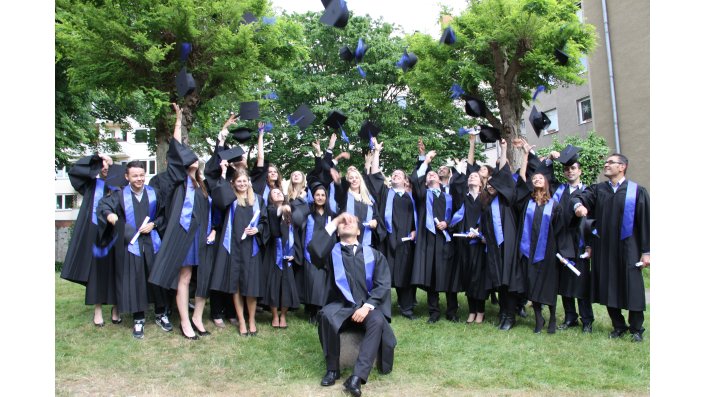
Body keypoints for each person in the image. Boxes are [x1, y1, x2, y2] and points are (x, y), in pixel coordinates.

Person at [148, 104, 217, 340]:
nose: (193, 161)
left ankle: (197, 318)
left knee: (203, 277)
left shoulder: (202, 186)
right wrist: (178, 121)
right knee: (185, 277)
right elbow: (176, 150)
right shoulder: (178, 182)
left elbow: (209, 212)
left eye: (196, 158)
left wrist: (213, 230)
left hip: (202, 236)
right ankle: (185, 323)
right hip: (184, 236)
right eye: (189, 160)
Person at [307, 213, 396, 397]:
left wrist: (368, 306)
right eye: (343, 224)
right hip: (340, 306)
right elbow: (314, 250)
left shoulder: (374, 255)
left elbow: (383, 285)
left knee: (377, 321)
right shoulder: (331, 254)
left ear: (358, 231)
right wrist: (335, 221)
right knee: (326, 315)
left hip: (365, 306)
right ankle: (332, 369)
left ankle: (357, 377)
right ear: (338, 233)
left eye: (351, 222)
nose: (346, 224)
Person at [573, 153, 650, 342]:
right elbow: (579, 197)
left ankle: (637, 328)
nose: (606, 165)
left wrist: (647, 252)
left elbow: (645, 223)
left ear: (622, 167)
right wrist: (578, 206)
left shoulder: (637, 191)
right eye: (606, 162)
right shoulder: (598, 190)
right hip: (604, 247)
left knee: (633, 287)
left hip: (629, 248)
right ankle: (618, 325)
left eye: (610, 162)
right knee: (608, 286)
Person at [97, 161, 172, 339]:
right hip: (132, 244)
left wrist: (154, 224)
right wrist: (112, 217)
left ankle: (162, 314)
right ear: (127, 177)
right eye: (135, 176)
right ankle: (138, 318)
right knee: (135, 280)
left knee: (157, 279)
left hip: (153, 242)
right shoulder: (120, 196)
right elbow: (103, 207)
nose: (139, 179)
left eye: (141, 175)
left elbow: (165, 215)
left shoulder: (155, 193)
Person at [515, 139, 574, 334]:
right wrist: (525, 155)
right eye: (535, 179)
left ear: (547, 182)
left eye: (541, 178)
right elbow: (522, 177)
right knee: (533, 285)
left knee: (548, 286)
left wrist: (563, 252)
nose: (537, 180)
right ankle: (539, 319)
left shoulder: (554, 205)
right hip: (529, 250)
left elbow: (561, 230)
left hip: (549, 252)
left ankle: (552, 320)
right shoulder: (527, 202)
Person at [61, 152, 122, 326]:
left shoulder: (118, 186)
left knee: (117, 268)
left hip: (115, 231)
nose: (104, 169)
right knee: (96, 272)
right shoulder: (90, 185)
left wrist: (113, 166)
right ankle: (97, 310)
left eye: (108, 167)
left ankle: (116, 308)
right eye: (101, 167)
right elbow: (75, 170)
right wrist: (96, 157)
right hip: (95, 232)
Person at [209, 166, 269, 336]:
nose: (242, 184)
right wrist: (221, 172)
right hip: (234, 247)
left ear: (249, 182)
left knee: (250, 286)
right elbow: (218, 196)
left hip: (252, 247)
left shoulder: (257, 200)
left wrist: (258, 229)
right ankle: (241, 320)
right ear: (233, 184)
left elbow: (265, 221)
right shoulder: (230, 200)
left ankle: (251, 319)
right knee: (236, 286)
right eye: (239, 181)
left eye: (245, 181)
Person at [409, 141, 463, 323]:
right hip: (429, 240)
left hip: (446, 240)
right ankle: (434, 312)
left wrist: (448, 224)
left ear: (440, 180)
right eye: (428, 174)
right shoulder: (422, 195)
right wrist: (425, 160)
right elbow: (416, 178)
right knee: (432, 276)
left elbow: (459, 213)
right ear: (425, 182)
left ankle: (452, 311)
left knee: (449, 275)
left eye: (434, 174)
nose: (432, 174)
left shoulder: (450, 197)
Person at [366, 139, 418, 320]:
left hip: (405, 240)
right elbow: (374, 175)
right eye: (393, 174)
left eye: (399, 174)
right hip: (386, 239)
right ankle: (382, 308)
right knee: (383, 275)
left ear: (405, 181)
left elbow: (417, 218)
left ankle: (407, 309)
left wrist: (415, 231)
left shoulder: (411, 198)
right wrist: (377, 152)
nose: (395, 176)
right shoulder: (385, 193)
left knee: (405, 274)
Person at [551, 147, 595, 333]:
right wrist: (550, 159)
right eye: (567, 168)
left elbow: (595, 220)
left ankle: (587, 319)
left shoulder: (589, 192)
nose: (570, 171)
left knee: (581, 282)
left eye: (573, 168)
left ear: (580, 171)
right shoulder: (559, 191)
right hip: (561, 241)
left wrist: (591, 244)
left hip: (580, 242)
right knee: (565, 282)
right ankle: (570, 317)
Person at [478, 139, 521, 330]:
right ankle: (503, 313)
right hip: (494, 247)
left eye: (494, 185)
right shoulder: (486, 205)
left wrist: (503, 149)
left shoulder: (507, 200)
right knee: (499, 281)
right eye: (488, 186)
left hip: (508, 246)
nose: (491, 187)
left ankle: (510, 316)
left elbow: (504, 173)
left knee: (508, 280)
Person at [262, 188, 299, 329]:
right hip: (274, 251)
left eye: (279, 192)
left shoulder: (290, 212)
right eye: (274, 193)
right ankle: (275, 315)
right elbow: (274, 216)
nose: (278, 194)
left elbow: (296, 235)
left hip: (288, 251)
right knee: (273, 282)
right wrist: (283, 208)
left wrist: (294, 252)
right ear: (271, 198)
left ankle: (283, 315)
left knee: (287, 284)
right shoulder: (270, 210)